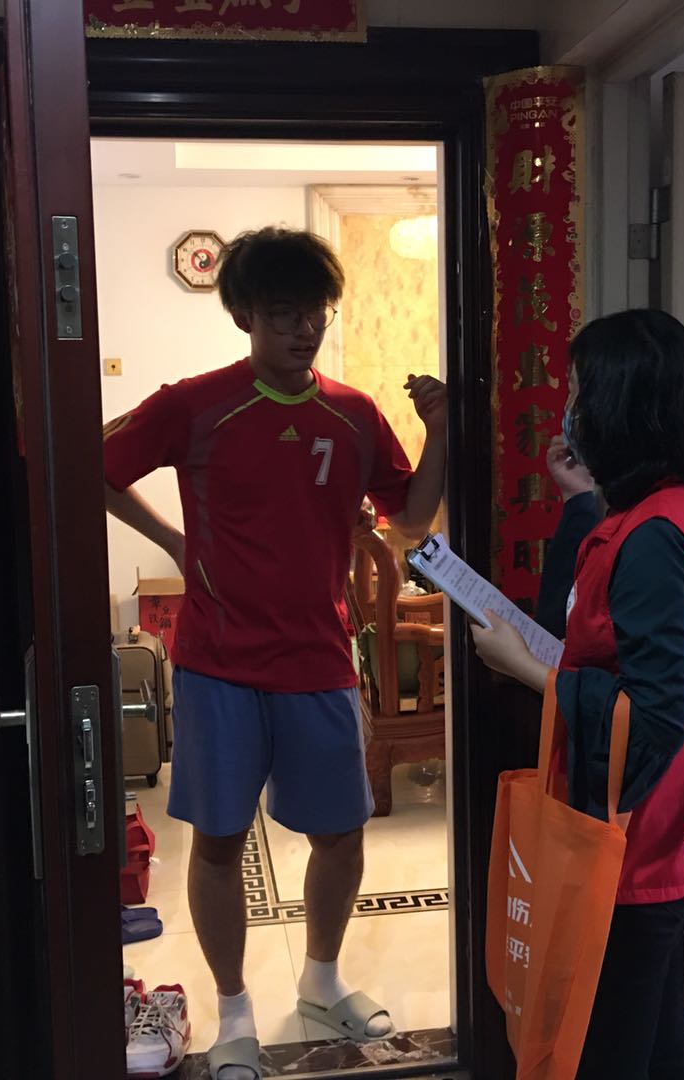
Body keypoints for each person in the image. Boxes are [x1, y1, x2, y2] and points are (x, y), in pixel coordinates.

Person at [102, 227, 447, 1080]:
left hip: (319, 659)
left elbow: (411, 518)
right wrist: (175, 541)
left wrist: (440, 429)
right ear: (245, 315)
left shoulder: (354, 413)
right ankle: (233, 1012)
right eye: (286, 312)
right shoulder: (196, 404)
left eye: (317, 311)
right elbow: (95, 469)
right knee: (219, 841)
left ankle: (322, 980)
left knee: (342, 832)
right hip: (217, 663)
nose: (305, 329)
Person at [472, 309, 684, 1080]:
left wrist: (525, 670)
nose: (569, 408)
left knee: (609, 1054)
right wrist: (581, 499)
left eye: (580, 392)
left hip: (634, 846)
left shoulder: (653, 538)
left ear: (622, 407)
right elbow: (605, 636)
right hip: (677, 827)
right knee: (660, 1039)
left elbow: (653, 716)